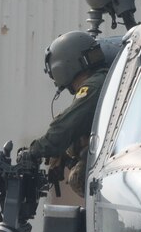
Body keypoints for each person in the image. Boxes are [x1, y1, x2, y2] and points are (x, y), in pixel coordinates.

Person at [20, 30, 110, 194]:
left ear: (62, 67)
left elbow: (66, 126)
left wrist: (35, 151)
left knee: (78, 178)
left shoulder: (93, 87)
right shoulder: (104, 79)